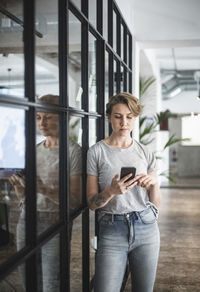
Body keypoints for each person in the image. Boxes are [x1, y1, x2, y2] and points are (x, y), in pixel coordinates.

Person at [87, 92, 161, 292]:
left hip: (146, 225)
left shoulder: (145, 152)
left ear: (135, 118)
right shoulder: (96, 152)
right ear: (109, 117)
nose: (124, 122)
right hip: (111, 229)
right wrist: (111, 191)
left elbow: (156, 201)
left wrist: (153, 185)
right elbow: (92, 204)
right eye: (118, 116)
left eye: (129, 117)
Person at [9, 94, 82, 292]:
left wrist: (41, 188)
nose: (41, 123)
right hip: (27, 221)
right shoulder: (33, 150)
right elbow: (24, 197)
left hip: (56, 223)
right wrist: (18, 184)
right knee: (29, 280)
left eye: (47, 117)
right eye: (38, 117)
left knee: (53, 283)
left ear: (63, 118)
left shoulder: (74, 152)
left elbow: (75, 200)